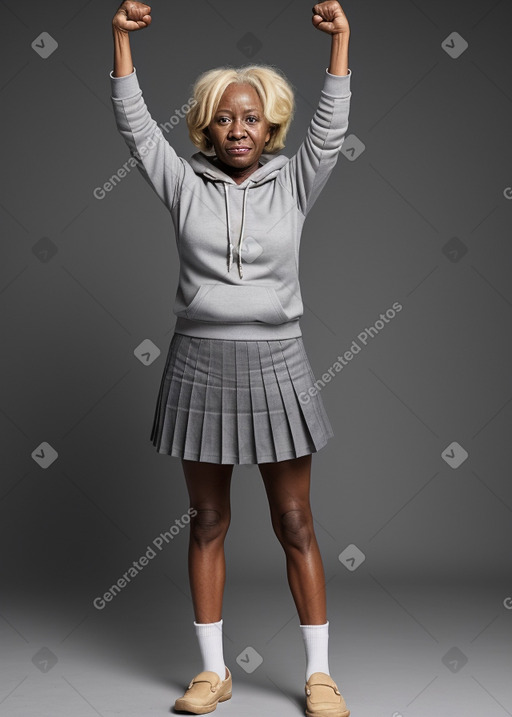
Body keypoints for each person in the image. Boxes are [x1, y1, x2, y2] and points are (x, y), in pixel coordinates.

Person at [110, 2, 352, 714]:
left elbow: (331, 128)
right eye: (223, 117)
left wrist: (341, 40)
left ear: (269, 126)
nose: (237, 128)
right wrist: (119, 38)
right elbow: (133, 126)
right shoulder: (182, 182)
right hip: (199, 364)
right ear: (205, 126)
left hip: (279, 363)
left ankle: (319, 675)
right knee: (207, 520)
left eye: (250, 117)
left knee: (296, 522)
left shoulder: (297, 180)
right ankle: (213, 672)